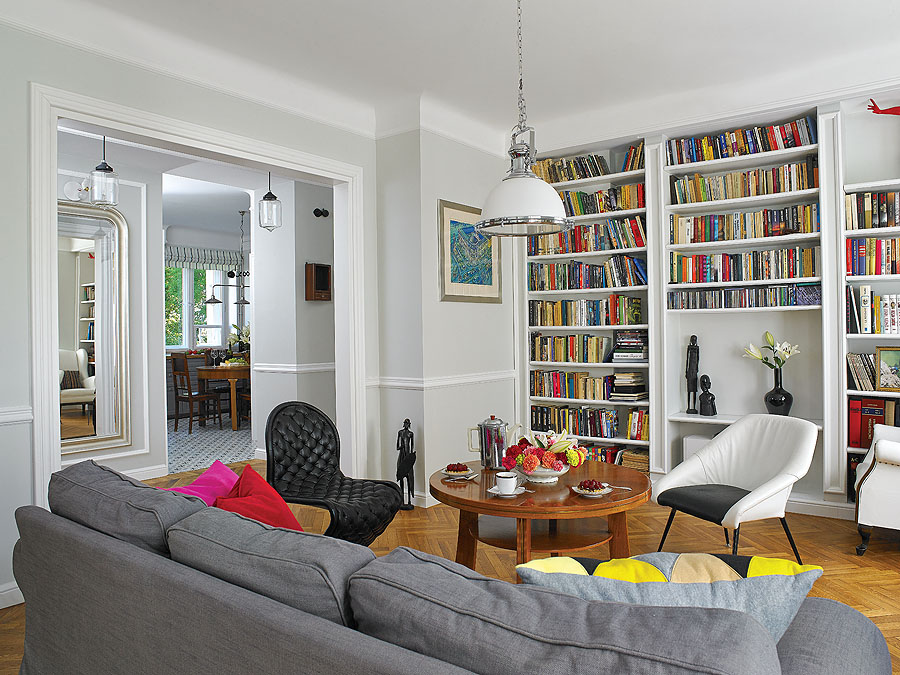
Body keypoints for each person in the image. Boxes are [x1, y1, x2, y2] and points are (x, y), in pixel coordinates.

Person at [396, 419, 416, 510]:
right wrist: (401, 447)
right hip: (401, 456)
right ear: (403, 424)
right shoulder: (400, 432)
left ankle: (409, 501)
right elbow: (397, 446)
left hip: (407, 457)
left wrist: (411, 456)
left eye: (407, 423)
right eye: (405, 423)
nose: (406, 425)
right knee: (401, 479)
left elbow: (412, 446)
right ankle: (402, 501)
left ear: (409, 424)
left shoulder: (411, 434)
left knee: (409, 479)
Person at [685, 335, 700, 414]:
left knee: (694, 390)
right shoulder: (689, 348)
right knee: (689, 390)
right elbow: (687, 359)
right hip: (690, 370)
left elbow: (698, 359)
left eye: (695, 340)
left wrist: (697, 368)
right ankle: (688, 407)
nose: (694, 341)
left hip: (694, 370)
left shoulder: (697, 348)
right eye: (693, 339)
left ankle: (694, 407)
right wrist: (686, 370)